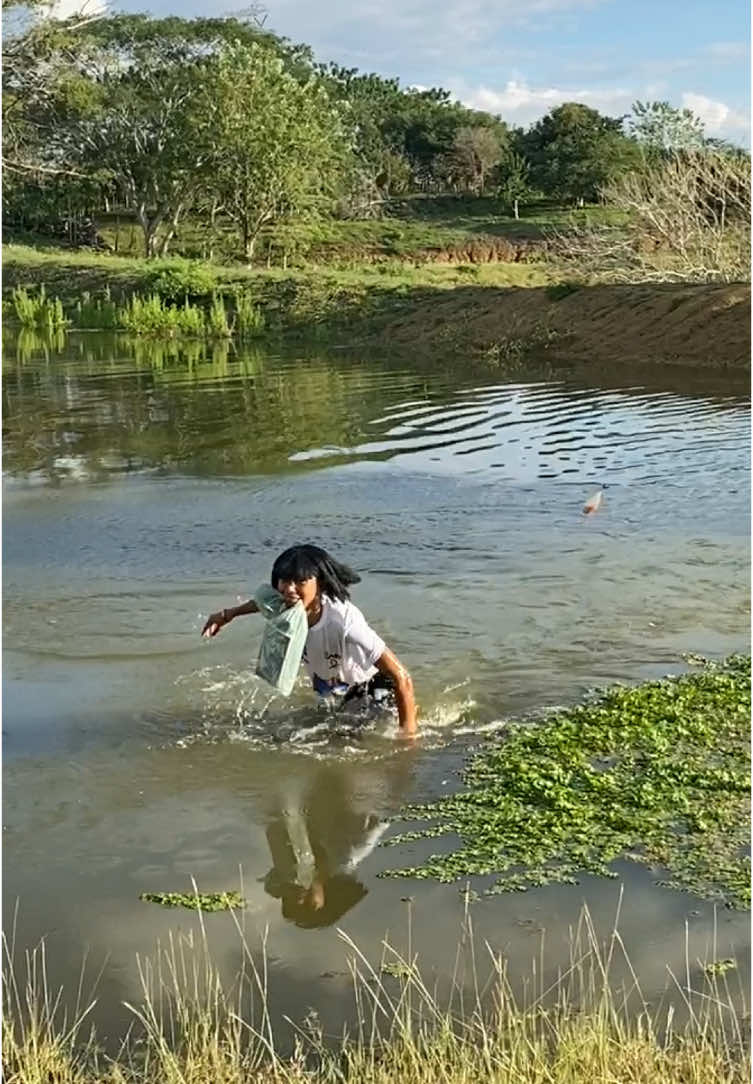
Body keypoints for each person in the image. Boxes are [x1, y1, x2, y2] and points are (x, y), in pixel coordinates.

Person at [201, 544, 417, 736]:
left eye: (300, 582)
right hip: (334, 691)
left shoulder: (343, 621)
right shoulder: (285, 601)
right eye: (284, 581)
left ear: (320, 584)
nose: (289, 590)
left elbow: (401, 676)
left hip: (371, 690)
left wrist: (408, 737)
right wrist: (226, 615)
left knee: (345, 743)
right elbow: (262, 602)